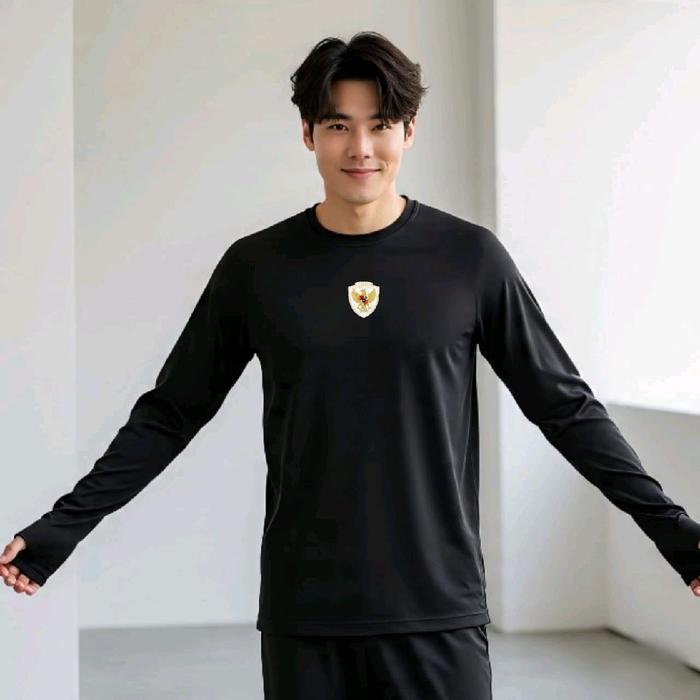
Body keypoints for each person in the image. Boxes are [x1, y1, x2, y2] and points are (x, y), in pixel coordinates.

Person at [3, 30, 699, 699]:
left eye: (380, 125)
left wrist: (677, 536)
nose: (360, 148)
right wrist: (62, 528)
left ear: (409, 130)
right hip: (307, 615)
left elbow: (565, 408)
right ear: (308, 133)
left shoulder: (469, 260)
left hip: (438, 610)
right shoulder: (258, 268)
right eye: (338, 125)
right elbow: (169, 415)